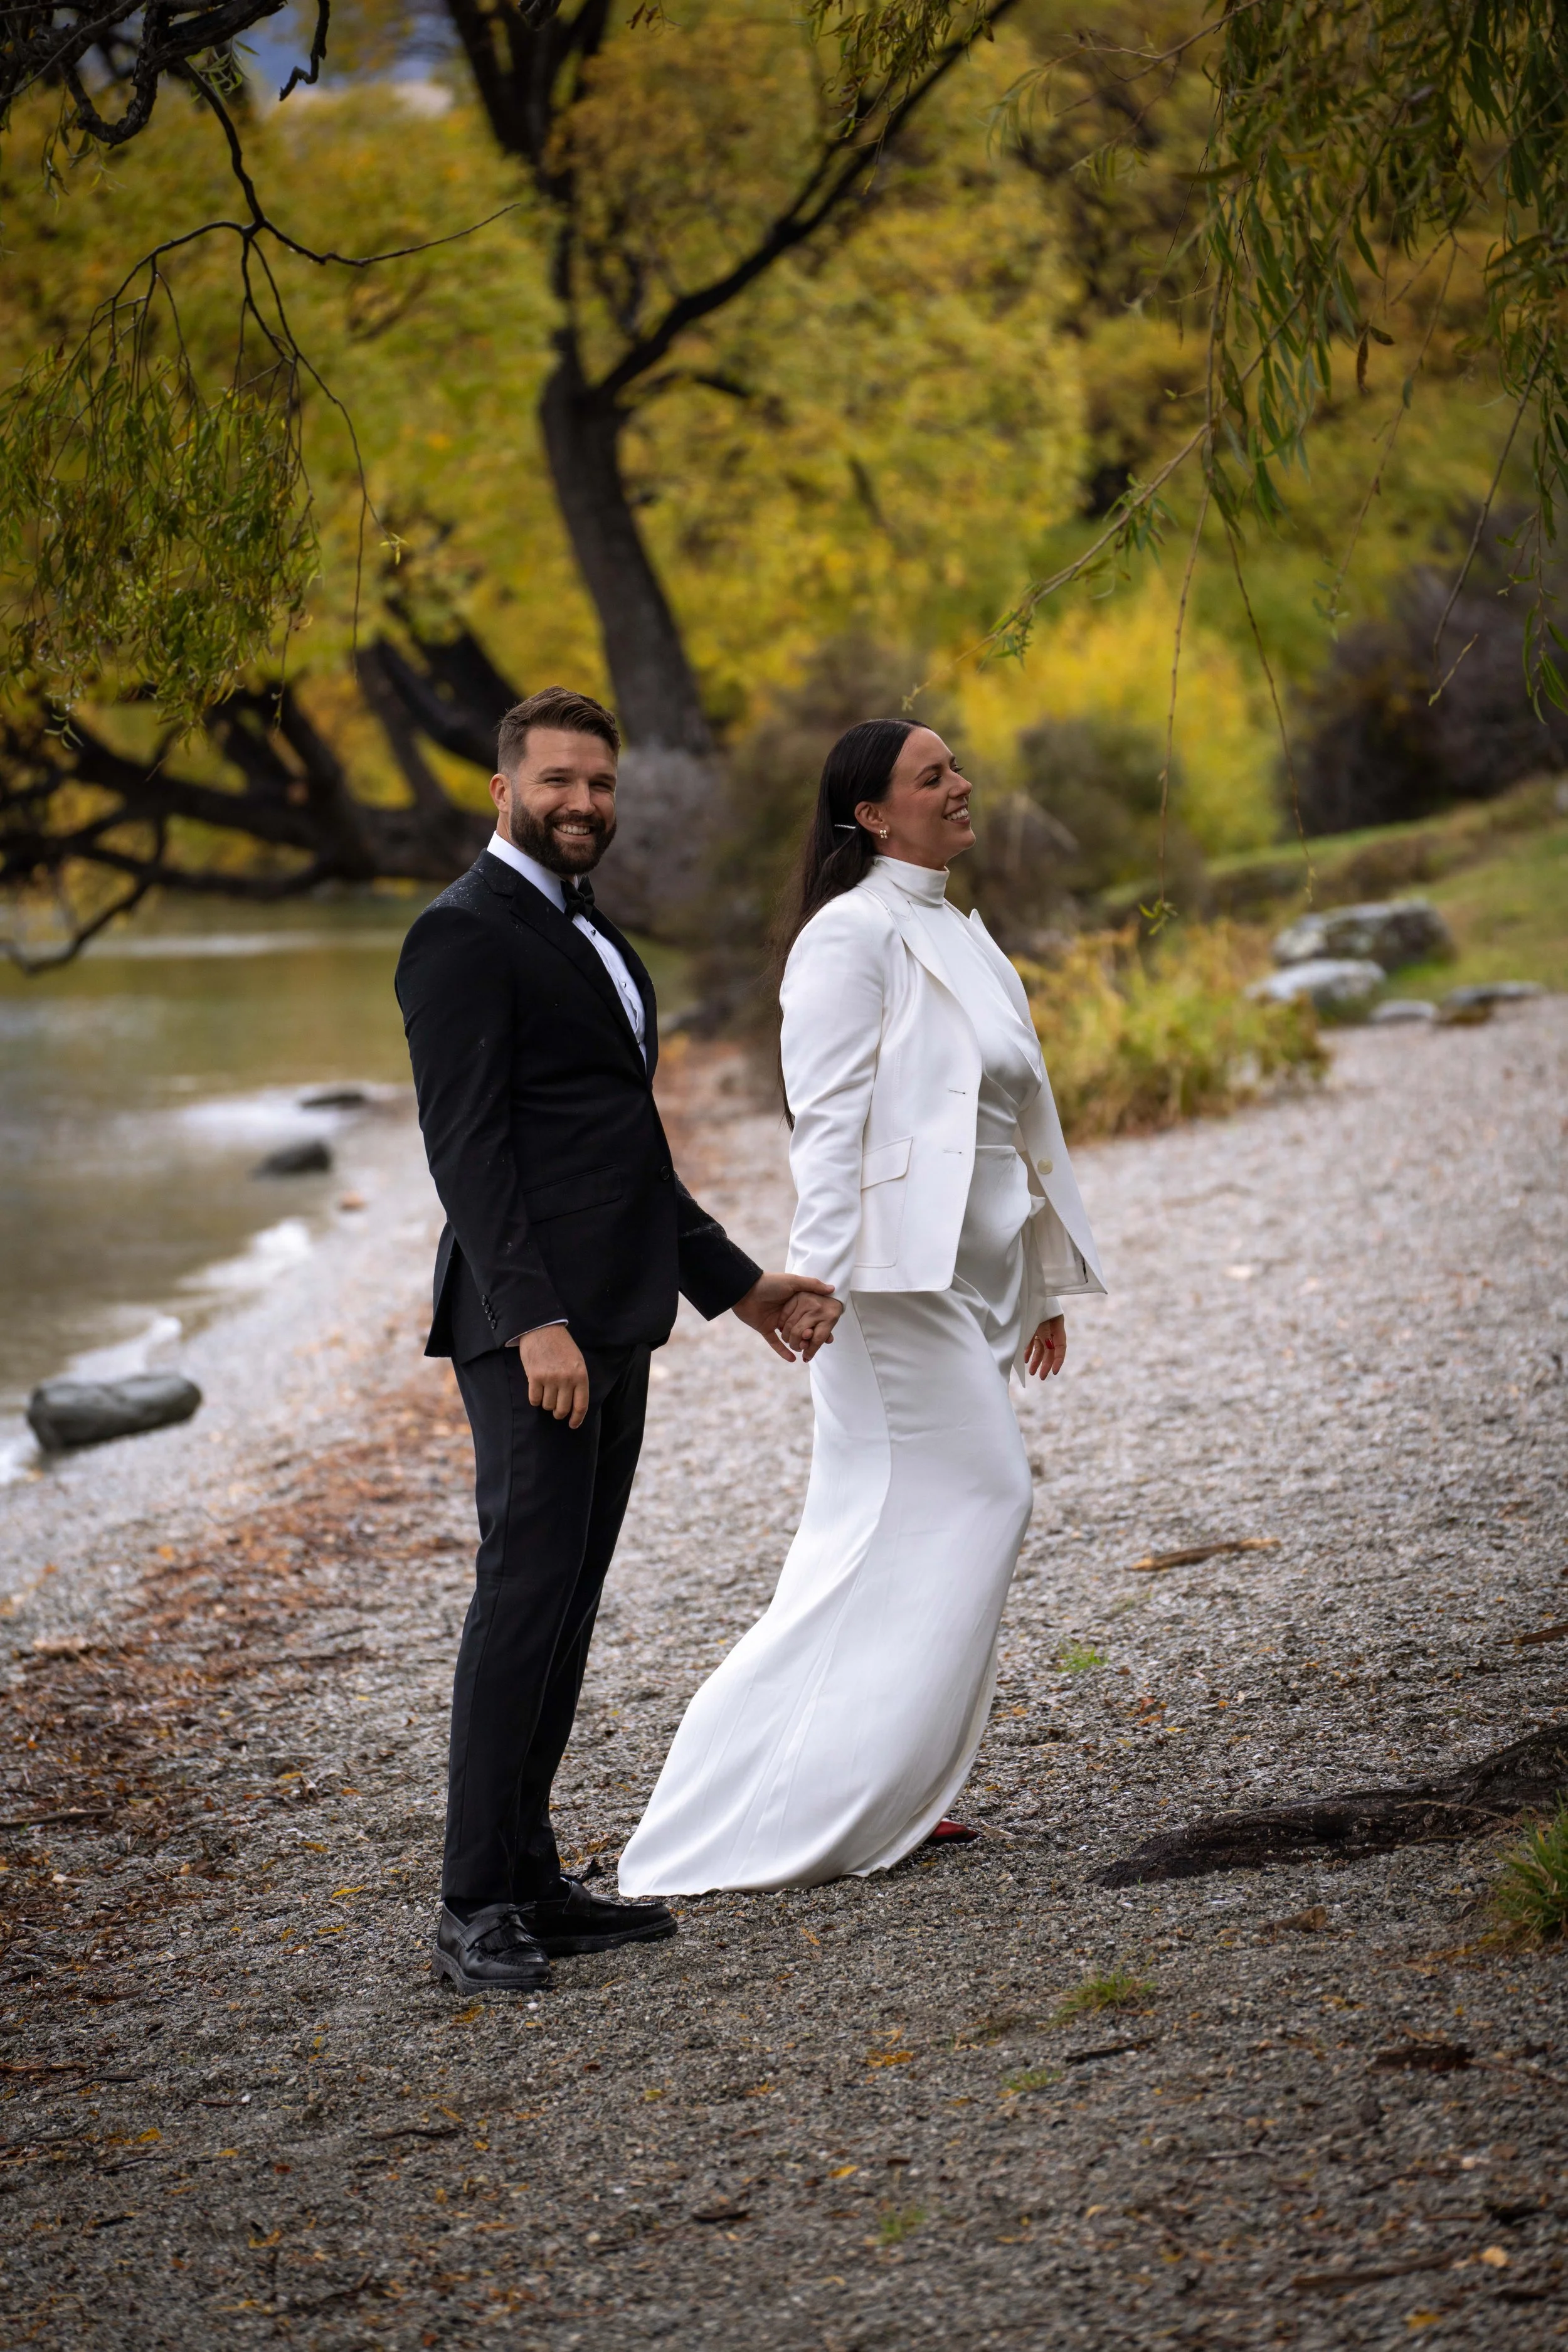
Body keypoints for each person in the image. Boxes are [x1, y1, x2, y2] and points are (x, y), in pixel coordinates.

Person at [617, 718, 1105, 1895]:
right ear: (872, 814)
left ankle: (883, 1789)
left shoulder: (959, 930)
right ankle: (776, 1806)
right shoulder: (848, 936)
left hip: (964, 1280)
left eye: (955, 769)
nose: (960, 785)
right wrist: (813, 1280)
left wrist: (1039, 1282)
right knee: (986, 1495)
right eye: (931, 775)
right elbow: (826, 1125)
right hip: (882, 1289)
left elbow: (1005, 1130)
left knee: (870, 1534)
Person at [395, 686, 834, 1992]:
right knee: (522, 1595)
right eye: (556, 782)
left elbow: (623, 1154)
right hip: (533, 1331)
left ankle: (530, 1875)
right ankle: (472, 1902)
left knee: (567, 1598)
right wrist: (533, 1320)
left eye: (598, 782)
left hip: (615, 1320)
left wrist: (742, 1286)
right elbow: (467, 1156)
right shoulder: (460, 936)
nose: (581, 801)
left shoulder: (591, 936)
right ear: (503, 790)